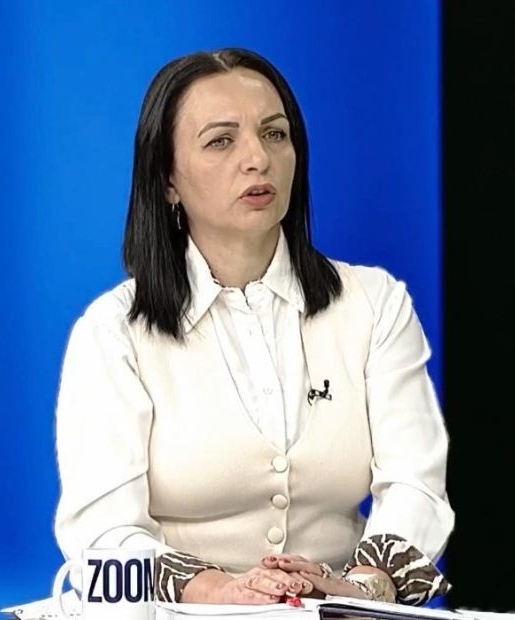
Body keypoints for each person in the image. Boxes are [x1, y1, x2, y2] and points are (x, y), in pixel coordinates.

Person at [52, 47, 454, 607]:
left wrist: (361, 591)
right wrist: (216, 592)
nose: (257, 159)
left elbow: (417, 483)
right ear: (166, 179)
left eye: (274, 134)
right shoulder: (113, 332)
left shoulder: (374, 303)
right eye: (221, 141)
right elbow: (98, 535)